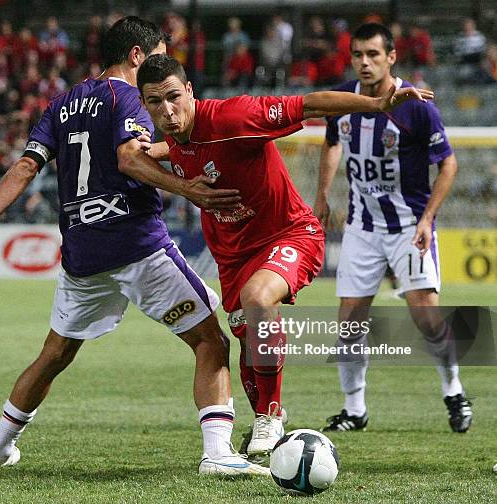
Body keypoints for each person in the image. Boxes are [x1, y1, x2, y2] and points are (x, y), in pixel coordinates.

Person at [0, 16, 268, 477]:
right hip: (136, 242)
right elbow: (130, 157)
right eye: (156, 56)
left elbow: (24, 167)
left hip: (82, 255)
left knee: (55, 354)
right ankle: (217, 453)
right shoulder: (130, 98)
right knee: (210, 340)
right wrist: (189, 190)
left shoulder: (60, 104)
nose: (160, 68)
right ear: (137, 56)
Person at [136, 53, 432, 460]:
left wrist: (376, 104)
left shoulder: (235, 117)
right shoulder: (173, 137)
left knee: (258, 299)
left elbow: (307, 104)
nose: (167, 111)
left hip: (290, 233)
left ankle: (271, 413)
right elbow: (184, 148)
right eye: (154, 102)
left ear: (190, 91)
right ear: (145, 104)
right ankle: (264, 420)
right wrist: (152, 152)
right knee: (247, 342)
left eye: (173, 97)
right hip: (232, 254)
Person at [313, 23, 472, 433]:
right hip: (363, 227)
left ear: (391, 57)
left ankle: (454, 390)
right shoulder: (345, 99)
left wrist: (427, 218)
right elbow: (332, 142)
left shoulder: (417, 106)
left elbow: (448, 164)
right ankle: (355, 410)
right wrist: (323, 194)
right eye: (358, 55)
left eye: (373, 55)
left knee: (426, 318)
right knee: (348, 323)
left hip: (407, 227)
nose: (365, 62)